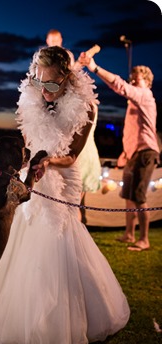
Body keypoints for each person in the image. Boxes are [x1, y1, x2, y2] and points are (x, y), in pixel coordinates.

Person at [0, 46, 130, 344]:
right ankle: (24, 308)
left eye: (52, 85)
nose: (45, 91)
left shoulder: (86, 106)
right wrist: (27, 165)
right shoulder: (35, 94)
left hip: (63, 173)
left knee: (59, 234)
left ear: (67, 79)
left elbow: (72, 156)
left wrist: (49, 162)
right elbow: (30, 140)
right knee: (26, 228)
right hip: (36, 172)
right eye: (39, 83)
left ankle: (66, 316)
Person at [78, 53, 160, 251]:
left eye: (137, 77)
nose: (132, 79)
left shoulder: (145, 96)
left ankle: (144, 239)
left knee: (139, 197)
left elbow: (119, 85)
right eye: (132, 76)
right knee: (128, 196)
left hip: (146, 152)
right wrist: (126, 151)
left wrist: (95, 68)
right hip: (133, 153)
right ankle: (129, 234)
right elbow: (133, 129)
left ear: (147, 82)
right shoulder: (135, 102)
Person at [46, 29, 101, 222]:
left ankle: (79, 225)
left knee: (73, 203)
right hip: (53, 153)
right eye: (50, 41)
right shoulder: (43, 70)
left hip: (71, 154)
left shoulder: (68, 64)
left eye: (56, 41)